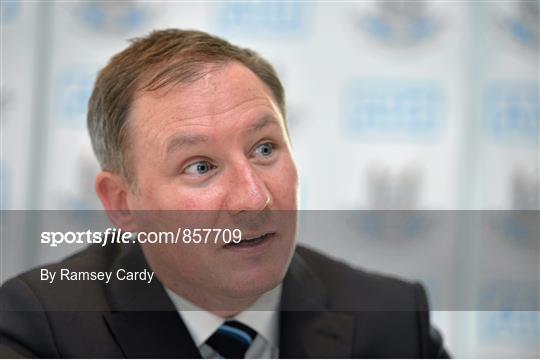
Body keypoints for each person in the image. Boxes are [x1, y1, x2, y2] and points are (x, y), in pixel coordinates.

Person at [0, 29, 448, 358]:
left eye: (265, 149)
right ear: (122, 202)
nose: (254, 199)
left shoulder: (390, 320)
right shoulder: (39, 329)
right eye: (201, 167)